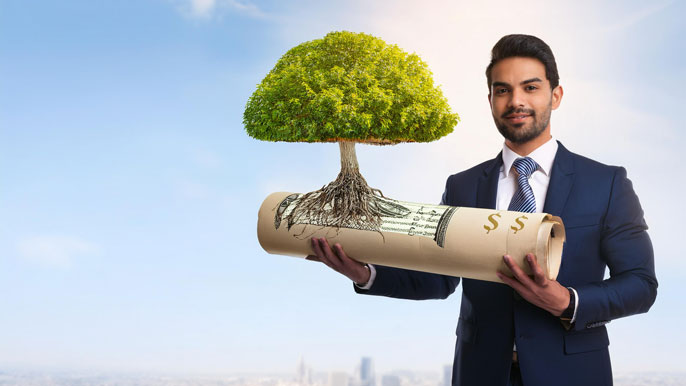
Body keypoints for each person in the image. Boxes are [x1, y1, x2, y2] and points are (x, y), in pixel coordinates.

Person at [306, 34, 657, 386]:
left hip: (573, 373)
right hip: (481, 373)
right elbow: (438, 276)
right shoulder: (463, 185)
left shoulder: (606, 183)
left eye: (530, 87)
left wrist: (568, 301)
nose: (516, 101)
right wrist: (366, 272)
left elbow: (641, 284)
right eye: (502, 90)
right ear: (490, 100)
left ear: (556, 95)